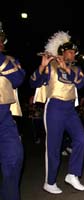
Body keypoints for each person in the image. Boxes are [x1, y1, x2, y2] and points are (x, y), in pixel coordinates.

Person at [29, 31, 84, 194]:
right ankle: (50, 182)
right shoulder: (50, 65)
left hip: (70, 109)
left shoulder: (76, 69)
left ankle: (73, 174)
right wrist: (42, 66)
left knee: (81, 139)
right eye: (69, 51)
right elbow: (33, 83)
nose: (72, 54)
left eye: (74, 52)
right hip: (54, 107)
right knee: (53, 146)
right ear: (62, 52)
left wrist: (66, 70)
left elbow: (81, 84)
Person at [0, 21, 25, 200]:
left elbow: (18, 78)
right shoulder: (8, 61)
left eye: (2, 38)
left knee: (15, 157)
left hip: (4, 115)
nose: (2, 41)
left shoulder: (9, 59)